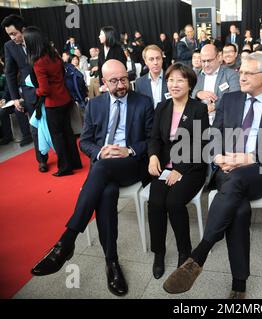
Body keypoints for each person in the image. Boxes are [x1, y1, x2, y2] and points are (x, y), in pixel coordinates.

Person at [163, 53, 262, 299]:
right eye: (240, 72)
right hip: (226, 170)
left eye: (247, 73)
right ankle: (239, 283)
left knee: (238, 180)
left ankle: (200, 253)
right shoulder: (230, 100)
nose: (240, 76)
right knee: (239, 209)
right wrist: (217, 158)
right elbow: (213, 136)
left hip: (260, 170)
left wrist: (248, 158)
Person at [30, 60, 154, 297]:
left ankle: (67, 241)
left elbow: (151, 140)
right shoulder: (95, 105)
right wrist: (100, 152)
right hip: (105, 165)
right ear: (104, 83)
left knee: (100, 170)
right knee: (106, 191)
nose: (121, 85)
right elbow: (85, 141)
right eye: (114, 81)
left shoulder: (143, 102)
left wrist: (129, 150)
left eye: (124, 79)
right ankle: (112, 262)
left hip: (131, 164)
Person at [147, 63, 209, 279]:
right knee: (155, 202)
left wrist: (180, 170)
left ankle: (185, 251)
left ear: (190, 84)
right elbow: (154, 138)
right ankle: (159, 252)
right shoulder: (162, 107)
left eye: (180, 80)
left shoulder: (198, 109)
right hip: (165, 166)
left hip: (192, 167)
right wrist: (153, 155)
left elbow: (201, 145)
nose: (174, 84)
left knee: (173, 202)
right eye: (171, 80)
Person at [23, 27, 82, 176]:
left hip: (53, 104)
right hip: (65, 99)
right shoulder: (54, 55)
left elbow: (44, 90)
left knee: (58, 136)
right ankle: (75, 163)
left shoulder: (38, 62)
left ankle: (65, 168)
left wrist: (32, 91)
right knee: (68, 132)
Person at [1, 14, 45, 171]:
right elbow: (10, 73)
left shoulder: (36, 37)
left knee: (55, 124)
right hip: (29, 92)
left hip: (48, 88)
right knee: (36, 127)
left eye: (14, 33)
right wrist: (15, 99)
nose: (12, 37)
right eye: (9, 35)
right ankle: (42, 160)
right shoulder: (9, 47)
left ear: (23, 30)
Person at [192, 44, 240, 124]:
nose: (206, 64)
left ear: (218, 57)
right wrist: (197, 93)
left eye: (209, 60)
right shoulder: (196, 76)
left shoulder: (231, 75)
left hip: (223, 123)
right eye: (203, 61)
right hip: (199, 124)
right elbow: (187, 93)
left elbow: (235, 98)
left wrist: (214, 106)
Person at [135, 45, 168, 109]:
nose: (155, 62)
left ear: (162, 59)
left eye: (158, 58)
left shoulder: (171, 78)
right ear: (145, 62)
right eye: (151, 59)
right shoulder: (139, 83)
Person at [98, 26, 127, 91]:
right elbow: (100, 69)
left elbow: (123, 68)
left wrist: (111, 83)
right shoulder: (101, 52)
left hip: (117, 84)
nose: (99, 36)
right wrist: (103, 84)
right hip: (105, 85)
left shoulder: (118, 50)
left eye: (101, 34)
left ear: (108, 35)